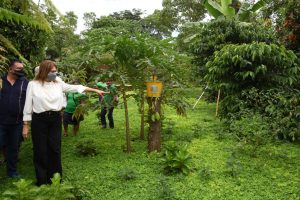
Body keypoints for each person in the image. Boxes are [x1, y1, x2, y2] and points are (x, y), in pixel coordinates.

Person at [22, 60, 105, 186]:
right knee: (40, 150)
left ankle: (55, 179)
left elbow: (75, 88)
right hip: (39, 120)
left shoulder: (58, 83)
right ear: (44, 71)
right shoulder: (33, 84)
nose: (55, 74)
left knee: (55, 149)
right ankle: (42, 181)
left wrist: (94, 90)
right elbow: (28, 104)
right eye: (52, 71)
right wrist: (25, 125)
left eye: (56, 71)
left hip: (55, 119)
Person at [0, 60, 28, 178]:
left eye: (22, 68)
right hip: (0, 122)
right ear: (10, 69)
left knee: (14, 148)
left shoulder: (25, 82)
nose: (21, 70)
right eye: (18, 68)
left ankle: (12, 172)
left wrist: (26, 123)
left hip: (17, 122)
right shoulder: (1, 81)